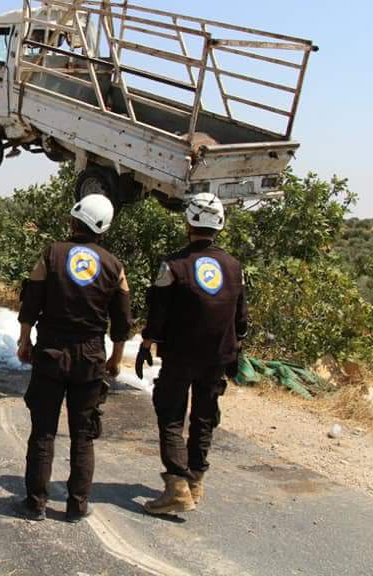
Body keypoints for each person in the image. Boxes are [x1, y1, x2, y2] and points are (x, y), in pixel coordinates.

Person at [16, 194, 133, 522]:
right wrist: (116, 359)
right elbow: (122, 322)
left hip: (51, 353)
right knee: (83, 435)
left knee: (43, 432)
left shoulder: (51, 254)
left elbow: (31, 303)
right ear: (104, 229)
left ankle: (35, 503)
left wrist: (25, 341)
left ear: (73, 220)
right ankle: (77, 506)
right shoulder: (115, 266)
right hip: (91, 357)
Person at [137, 192, 248, 515]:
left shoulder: (173, 265)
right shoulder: (234, 266)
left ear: (189, 223)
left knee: (170, 413)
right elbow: (241, 320)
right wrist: (236, 349)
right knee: (204, 417)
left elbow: (157, 315)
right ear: (220, 225)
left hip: (181, 355)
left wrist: (147, 343)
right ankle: (196, 481)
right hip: (218, 357)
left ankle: (177, 486)